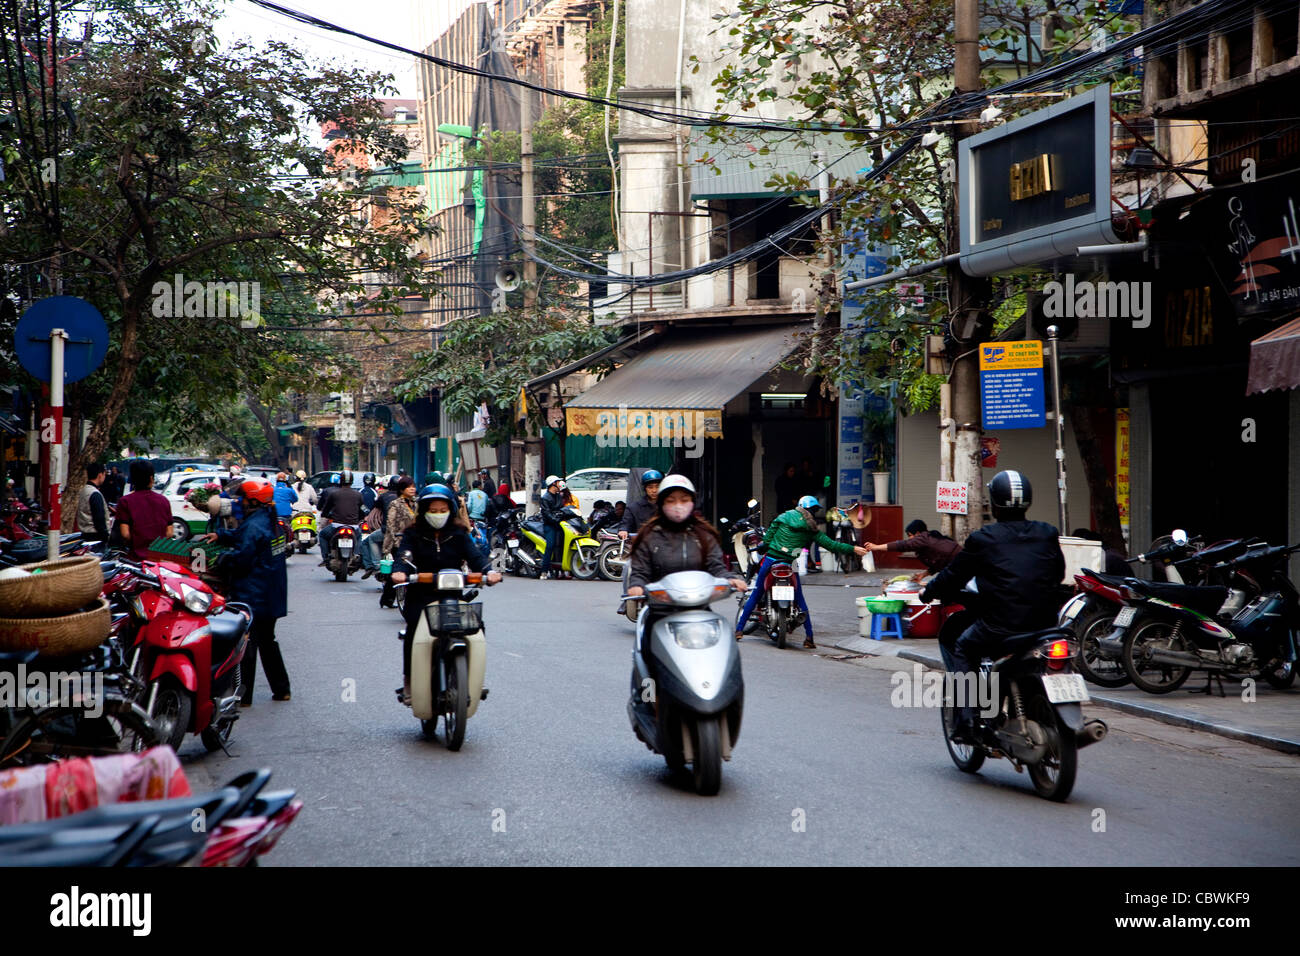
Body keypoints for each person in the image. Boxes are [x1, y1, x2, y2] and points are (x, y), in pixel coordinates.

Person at [921, 470, 1066, 744]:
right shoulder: (1047, 532)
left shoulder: (984, 538)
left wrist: (929, 592)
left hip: (1002, 626)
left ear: (995, 503)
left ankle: (966, 722)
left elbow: (954, 576)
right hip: (1047, 624)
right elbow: (1058, 572)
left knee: (963, 646)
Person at [390, 484, 500, 703]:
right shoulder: (413, 533)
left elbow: (475, 556)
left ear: (450, 510)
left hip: (453, 593)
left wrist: (489, 571)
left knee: (476, 626)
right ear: (424, 511)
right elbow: (404, 556)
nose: (438, 515)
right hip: (421, 593)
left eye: (443, 510)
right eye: (433, 510)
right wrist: (400, 572)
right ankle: (409, 681)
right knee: (412, 630)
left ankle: (472, 676)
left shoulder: (459, 533)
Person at [735, 494, 870, 648]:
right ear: (812, 510)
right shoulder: (811, 528)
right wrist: (853, 548)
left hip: (771, 560)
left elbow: (766, 542)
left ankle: (739, 630)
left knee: (756, 593)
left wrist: (762, 547)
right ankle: (809, 638)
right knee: (799, 598)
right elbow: (832, 545)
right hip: (790, 563)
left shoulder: (783, 518)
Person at [625, 476, 747, 644]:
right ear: (661, 504)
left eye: (684, 500)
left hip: (700, 611)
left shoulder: (704, 535)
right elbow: (640, 570)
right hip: (660, 611)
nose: (678, 506)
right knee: (648, 655)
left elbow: (716, 566)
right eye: (671, 501)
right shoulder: (649, 535)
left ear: (692, 503)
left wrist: (730, 579)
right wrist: (637, 586)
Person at [201, 479, 290, 705]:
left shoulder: (255, 525)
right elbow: (246, 537)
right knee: (268, 641)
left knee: (248, 644)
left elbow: (243, 557)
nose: (240, 502)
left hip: (254, 594)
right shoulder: (271, 520)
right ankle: (282, 689)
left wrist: (220, 559)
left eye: (243, 498)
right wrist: (222, 535)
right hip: (272, 593)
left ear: (253, 501)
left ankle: (244, 695)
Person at [112, 460, 174, 561]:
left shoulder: (125, 502)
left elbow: (125, 534)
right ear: (151, 478)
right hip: (160, 559)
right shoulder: (163, 501)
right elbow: (169, 533)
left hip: (136, 560)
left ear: (132, 480)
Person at [866, 519, 962, 582]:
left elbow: (903, 545)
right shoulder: (928, 540)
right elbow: (938, 563)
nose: (910, 539)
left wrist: (876, 547)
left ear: (918, 533)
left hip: (962, 566)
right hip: (957, 567)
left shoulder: (923, 538)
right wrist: (923, 575)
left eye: (910, 535)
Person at [379, 477, 417, 607]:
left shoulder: (416, 504)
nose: (412, 489)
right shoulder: (395, 504)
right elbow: (390, 524)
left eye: (413, 486)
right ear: (401, 489)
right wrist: (395, 540)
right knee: (397, 572)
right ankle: (387, 598)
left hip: (413, 542)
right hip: (398, 542)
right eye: (409, 487)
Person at [319, 469, 363, 565]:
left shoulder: (334, 494)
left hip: (336, 525)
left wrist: (325, 515)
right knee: (360, 536)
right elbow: (363, 510)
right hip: (353, 526)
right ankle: (357, 554)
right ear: (351, 481)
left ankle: (326, 557)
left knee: (322, 535)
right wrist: (360, 518)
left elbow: (326, 509)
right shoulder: (358, 494)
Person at [618, 469, 663, 540]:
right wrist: (623, 530)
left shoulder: (667, 506)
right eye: (650, 487)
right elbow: (626, 523)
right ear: (645, 489)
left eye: (657, 486)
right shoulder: (633, 508)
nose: (654, 490)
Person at [539, 475, 567, 580]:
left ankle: (562, 570)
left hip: (560, 524)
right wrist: (556, 519)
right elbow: (547, 514)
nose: (560, 483)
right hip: (550, 525)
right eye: (558, 482)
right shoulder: (545, 498)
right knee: (550, 546)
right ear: (553, 484)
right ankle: (544, 571)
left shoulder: (559, 496)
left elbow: (562, 510)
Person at [76, 463, 110, 543]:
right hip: (95, 537)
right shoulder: (95, 493)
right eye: (104, 474)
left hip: (85, 535)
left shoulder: (84, 490)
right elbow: (99, 520)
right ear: (100, 475)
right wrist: (105, 537)